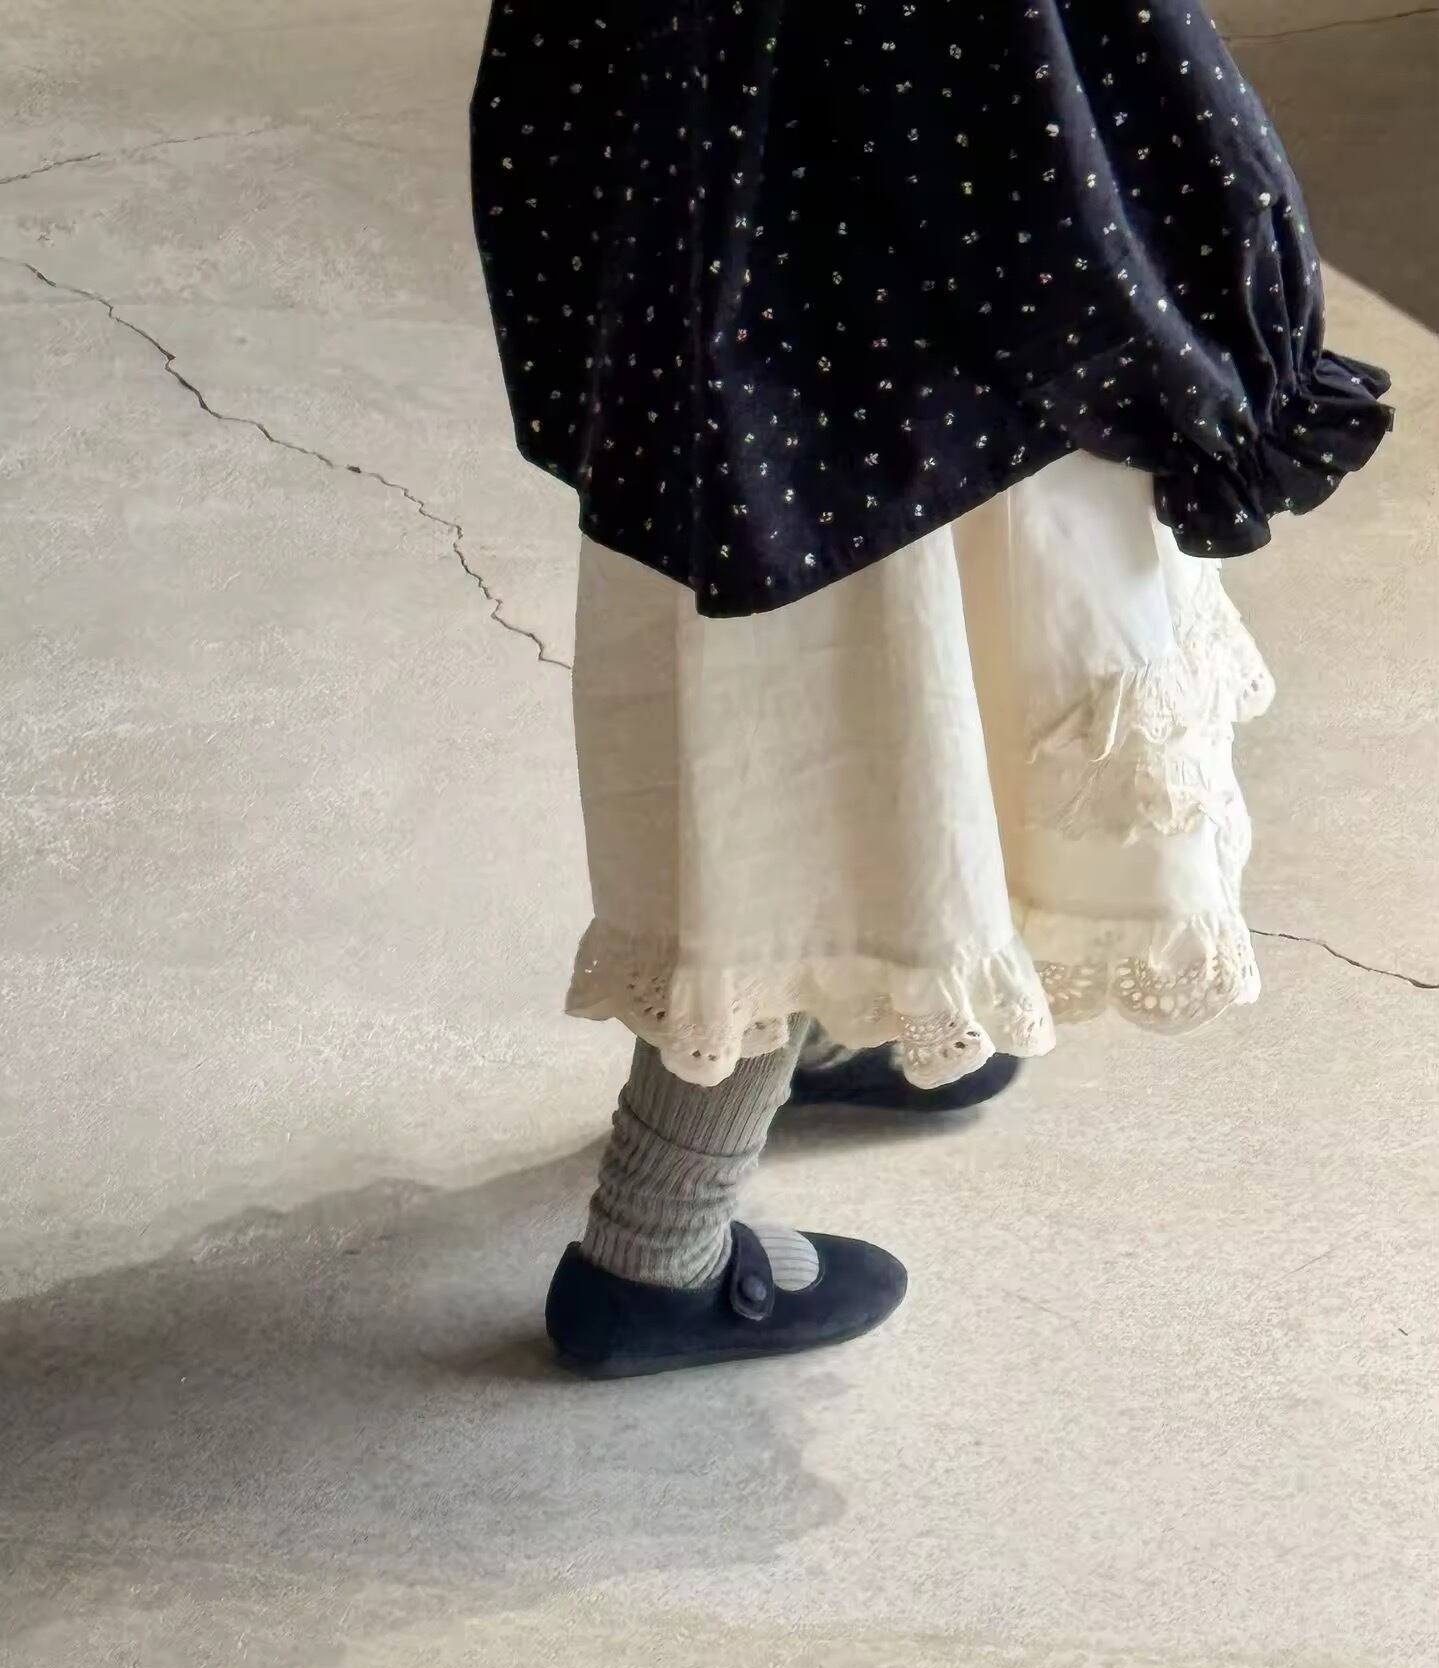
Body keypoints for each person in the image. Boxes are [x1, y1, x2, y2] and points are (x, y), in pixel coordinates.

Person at [470, 4, 1392, 1377]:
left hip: (720, 299)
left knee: (810, 731)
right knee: (842, 748)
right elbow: (1031, 103)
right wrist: (1213, 360)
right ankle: (654, 1253)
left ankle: (838, 1007)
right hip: (921, 365)